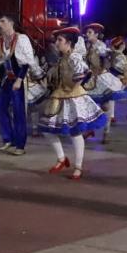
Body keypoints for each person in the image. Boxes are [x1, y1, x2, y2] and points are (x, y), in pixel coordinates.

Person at [39, 26, 108, 180]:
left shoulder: (74, 56)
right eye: (57, 40)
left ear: (68, 42)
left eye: (60, 40)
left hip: (73, 97)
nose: (57, 43)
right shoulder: (63, 57)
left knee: (75, 131)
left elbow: (85, 72)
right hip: (60, 95)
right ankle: (62, 159)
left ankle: (78, 167)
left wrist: (75, 87)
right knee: (46, 128)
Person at [0, 15, 41, 155]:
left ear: (11, 23)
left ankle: (20, 145)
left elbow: (27, 61)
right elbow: (0, 60)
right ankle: (8, 139)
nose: (0, 23)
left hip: (19, 78)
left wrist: (19, 79)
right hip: (7, 79)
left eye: (3, 21)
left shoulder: (21, 39)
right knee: (0, 108)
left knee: (19, 111)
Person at [82, 22, 126, 142]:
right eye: (87, 32)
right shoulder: (87, 46)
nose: (87, 34)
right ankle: (90, 129)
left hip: (102, 77)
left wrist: (112, 53)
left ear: (96, 34)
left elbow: (107, 55)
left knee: (106, 106)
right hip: (90, 78)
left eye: (90, 32)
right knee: (88, 105)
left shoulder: (100, 46)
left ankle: (106, 132)